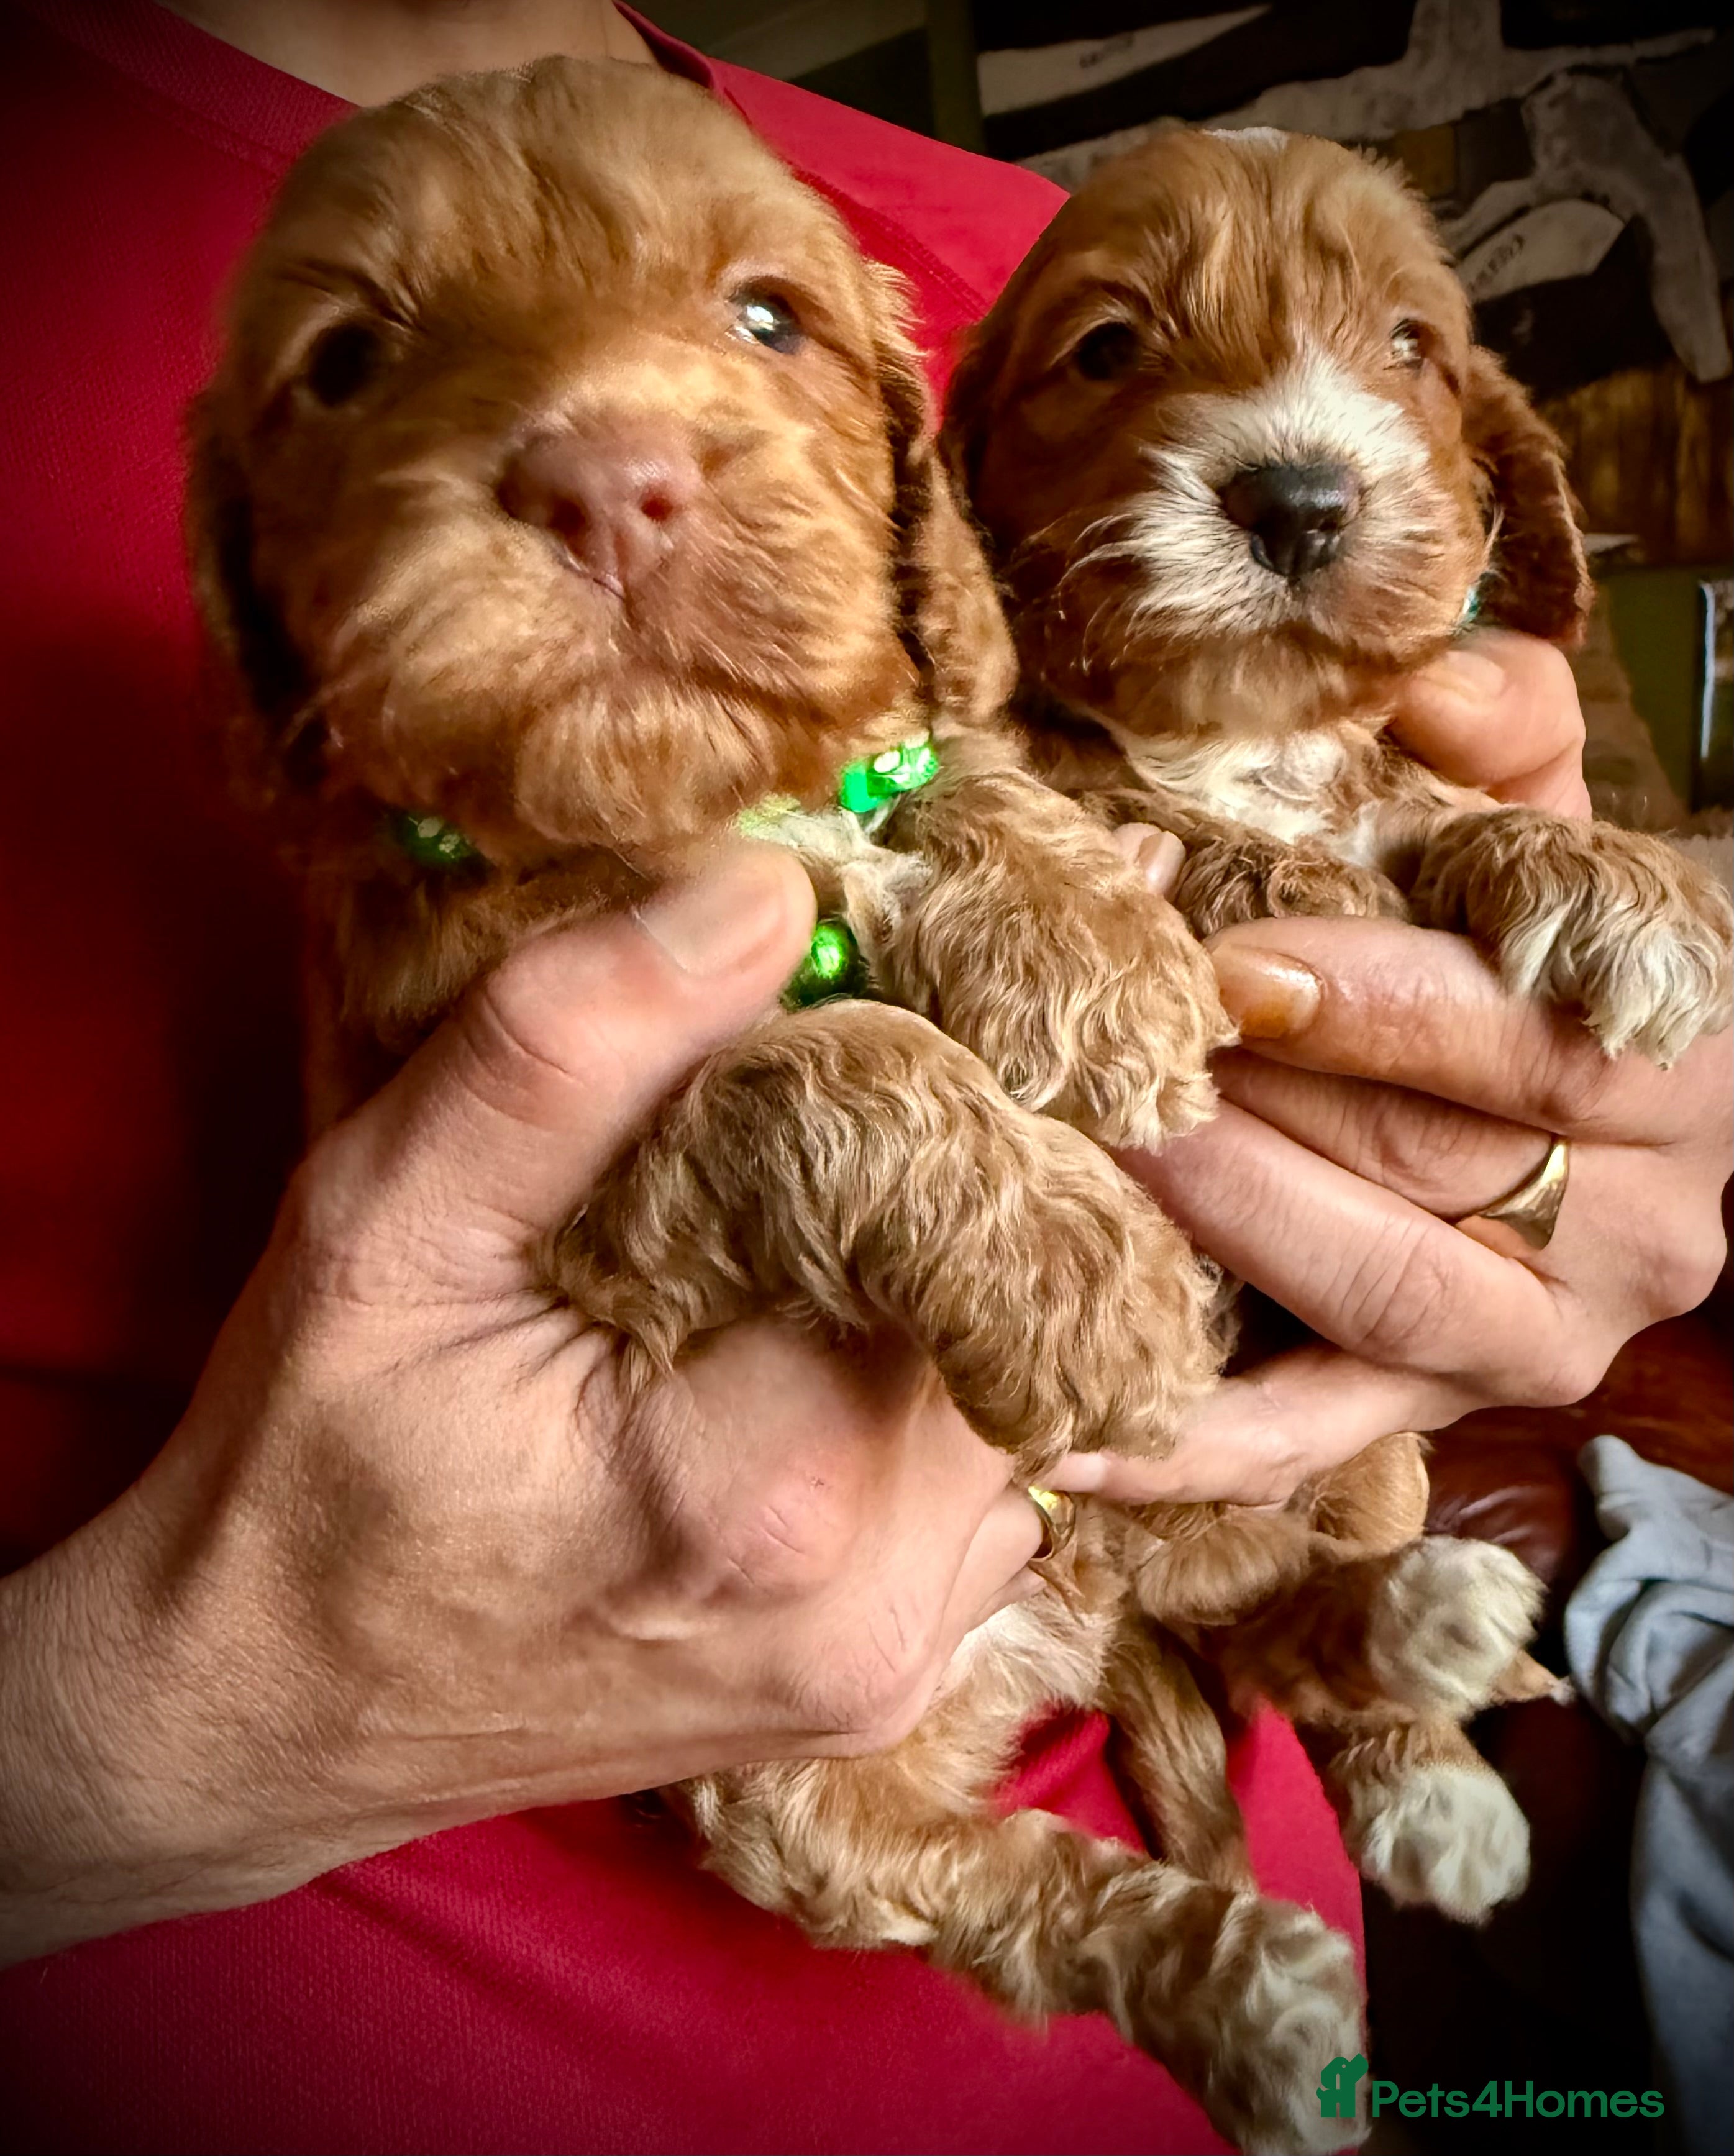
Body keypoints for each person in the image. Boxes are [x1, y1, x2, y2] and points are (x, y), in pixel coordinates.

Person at [0, 2, 1727, 2150]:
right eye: (357, 363)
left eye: (761, 320)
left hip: (1234, 1999)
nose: (614, 449)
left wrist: (1557, 1147)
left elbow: (974, 800)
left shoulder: (1003, 255)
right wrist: (182, 1735)